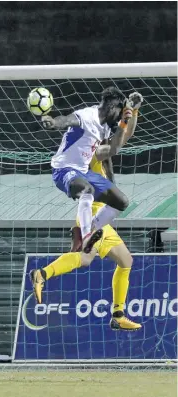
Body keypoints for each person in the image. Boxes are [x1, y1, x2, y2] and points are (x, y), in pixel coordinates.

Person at [30, 92, 143, 330]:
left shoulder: (99, 136)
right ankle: (44, 273)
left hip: (100, 212)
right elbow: (73, 122)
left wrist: (131, 114)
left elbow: (121, 140)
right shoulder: (90, 144)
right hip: (89, 206)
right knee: (85, 257)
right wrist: (55, 122)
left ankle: (117, 314)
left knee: (122, 260)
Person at [42, 87, 136, 254]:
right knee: (87, 190)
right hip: (64, 169)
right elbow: (66, 120)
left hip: (84, 172)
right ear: (112, 107)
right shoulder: (87, 116)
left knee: (121, 201)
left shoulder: (105, 127)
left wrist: (124, 122)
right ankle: (87, 238)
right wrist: (54, 123)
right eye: (119, 113)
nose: (119, 117)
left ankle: (86, 232)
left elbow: (112, 151)